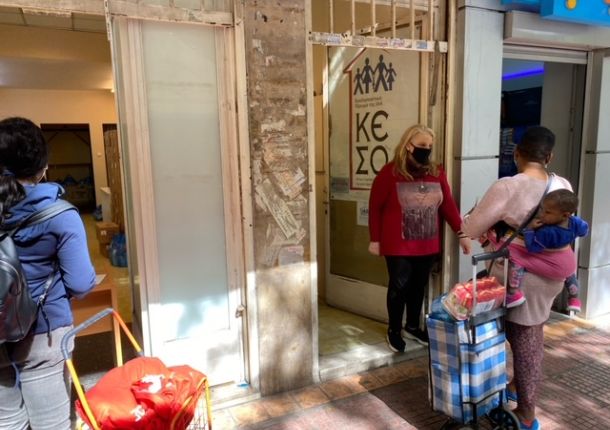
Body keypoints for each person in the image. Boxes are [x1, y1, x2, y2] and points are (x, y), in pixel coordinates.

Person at [461, 126, 575, 430]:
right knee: (530, 335)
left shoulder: (509, 186)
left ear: (517, 154)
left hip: (520, 277)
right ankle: (513, 387)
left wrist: (476, 219)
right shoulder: (562, 184)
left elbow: (471, 228)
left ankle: (526, 414)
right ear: (549, 157)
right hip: (553, 274)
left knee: (526, 343)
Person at [0, 117, 96, 429]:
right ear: (43, 166)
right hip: (43, 332)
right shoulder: (61, 215)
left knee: (8, 423)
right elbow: (80, 283)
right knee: (51, 424)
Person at [368, 124, 471, 353]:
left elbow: (448, 205)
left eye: (430, 145)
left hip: (427, 242)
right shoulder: (390, 173)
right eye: (422, 145)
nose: (426, 149)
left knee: (418, 288)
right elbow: (375, 207)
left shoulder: (436, 172)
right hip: (398, 245)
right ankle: (394, 329)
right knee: (399, 288)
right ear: (408, 145)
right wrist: (375, 239)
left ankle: (412, 326)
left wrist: (462, 233)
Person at [506, 189, 588, 311]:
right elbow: (584, 231)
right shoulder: (575, 222)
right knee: (570, 274)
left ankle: (513, 293)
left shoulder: (546, 232)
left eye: (548, 212)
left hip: (552, 263)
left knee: (516, 259)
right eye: (542, 209)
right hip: (568, 261)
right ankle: (574, 299)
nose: (542, 214)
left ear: (565, 215)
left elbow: (532, 248)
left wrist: (529, 229)